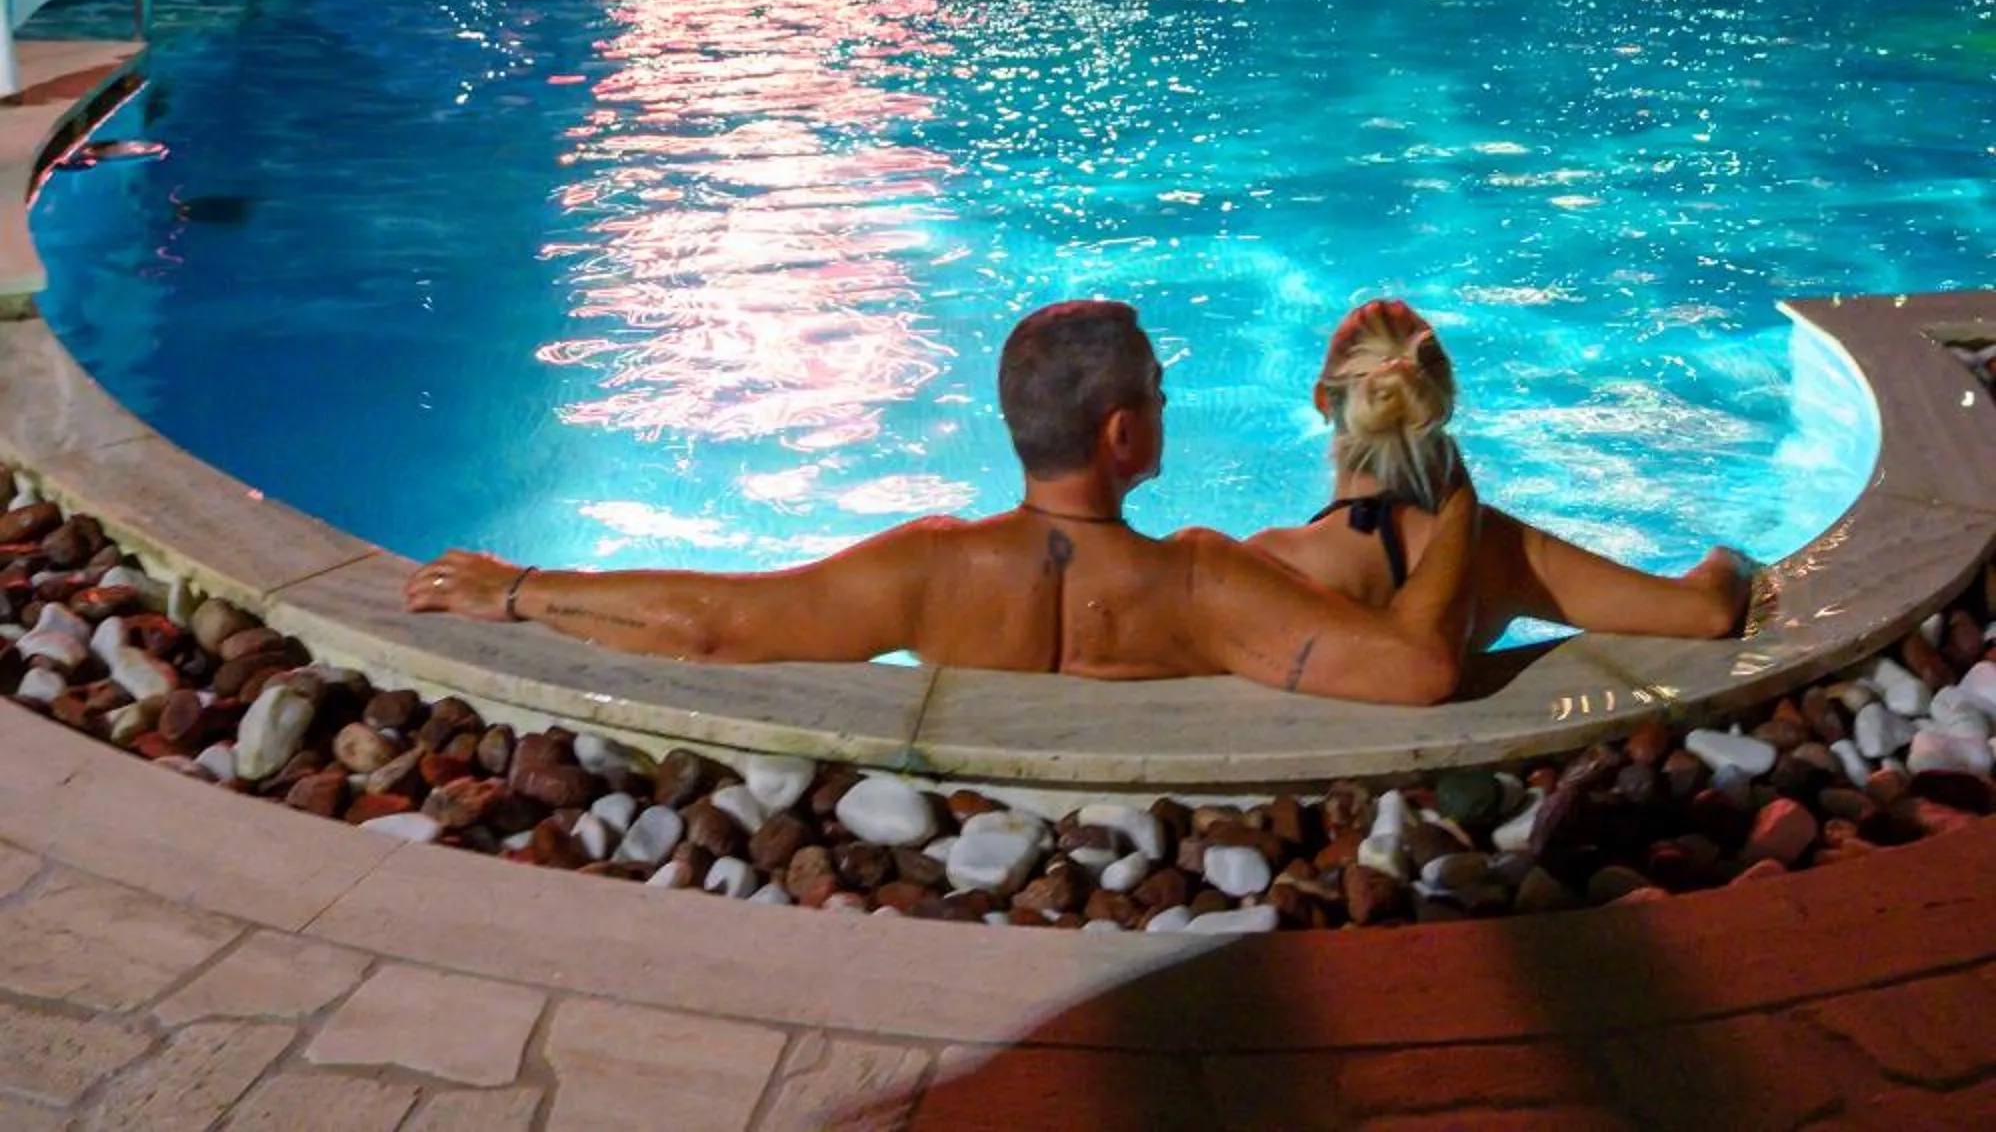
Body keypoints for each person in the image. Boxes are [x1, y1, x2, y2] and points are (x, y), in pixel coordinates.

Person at [408, 297, 1479, 701]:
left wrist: (522, 590)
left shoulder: (929, 568)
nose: (1164, 403)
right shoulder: (1202, 578)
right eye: (1156, 392)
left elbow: (719, 623)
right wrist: (1460, 506)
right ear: (1121, 435)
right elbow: (1419, 670)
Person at [1246, 298, 1765, 647]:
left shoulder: (1268, 564)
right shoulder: (1491, 547)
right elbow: (1707, 614)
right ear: (1440, 401)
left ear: (1323, 401)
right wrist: (1732, 560)